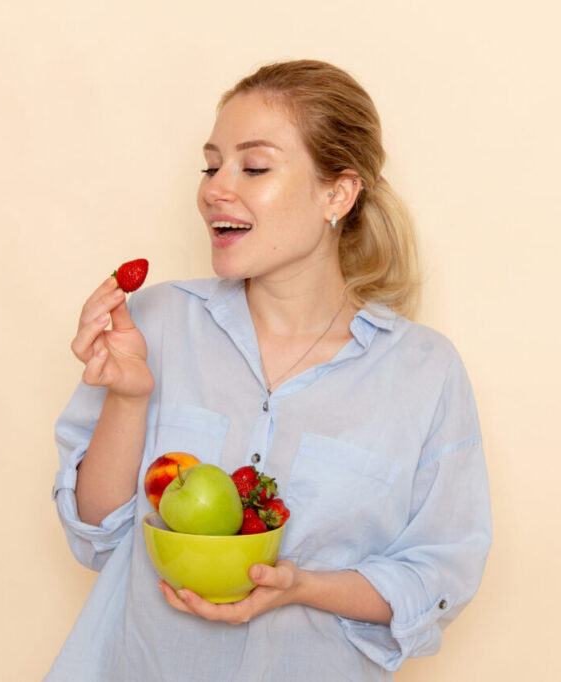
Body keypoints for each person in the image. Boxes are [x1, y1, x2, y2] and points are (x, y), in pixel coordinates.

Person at [46, 60, 491, 681]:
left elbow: (437, 573)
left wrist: (304, 586)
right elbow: (96, 536)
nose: (214, 189)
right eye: (211, 165)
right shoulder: (154, 322)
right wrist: (128, 399)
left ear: (337, 193)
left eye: (253, 168)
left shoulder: (423, 371)